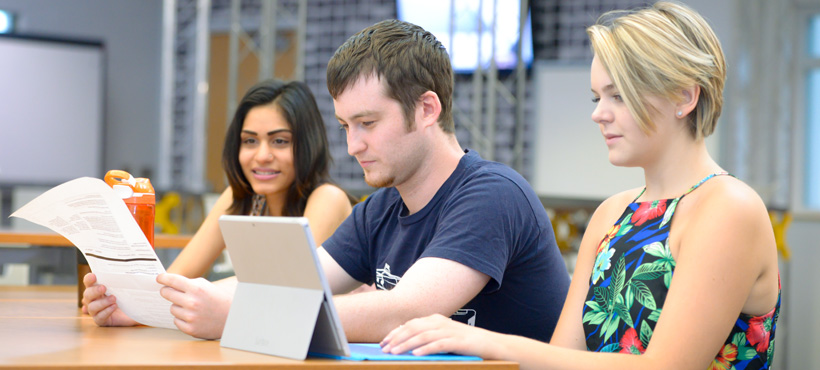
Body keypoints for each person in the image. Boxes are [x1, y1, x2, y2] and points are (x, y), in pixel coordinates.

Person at [86, 19, 571, 342]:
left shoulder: (491, 195)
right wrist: (152, 308)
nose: (352, 145)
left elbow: (406, 311)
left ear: (427, 109)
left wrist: (237, 317)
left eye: (367, 123)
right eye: (345, 127)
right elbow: (280, 283)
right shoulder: (382, 209)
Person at [380, 3, 781, 369]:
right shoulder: (612, 214)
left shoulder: (728, 208)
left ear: (685, 96)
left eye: (618, 96)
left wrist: (485, 341)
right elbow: (562, 358)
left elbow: (666, 366)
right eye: (596, 98)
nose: (599, 115)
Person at [82, 80, 355, 326]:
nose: (261, 155)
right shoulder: (244, 198)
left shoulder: (327, 198)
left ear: (308, 145)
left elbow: (284, 289)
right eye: (250, 141)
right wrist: (118, 301)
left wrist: (169, 301)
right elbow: (179, 274)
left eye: (279, 141)